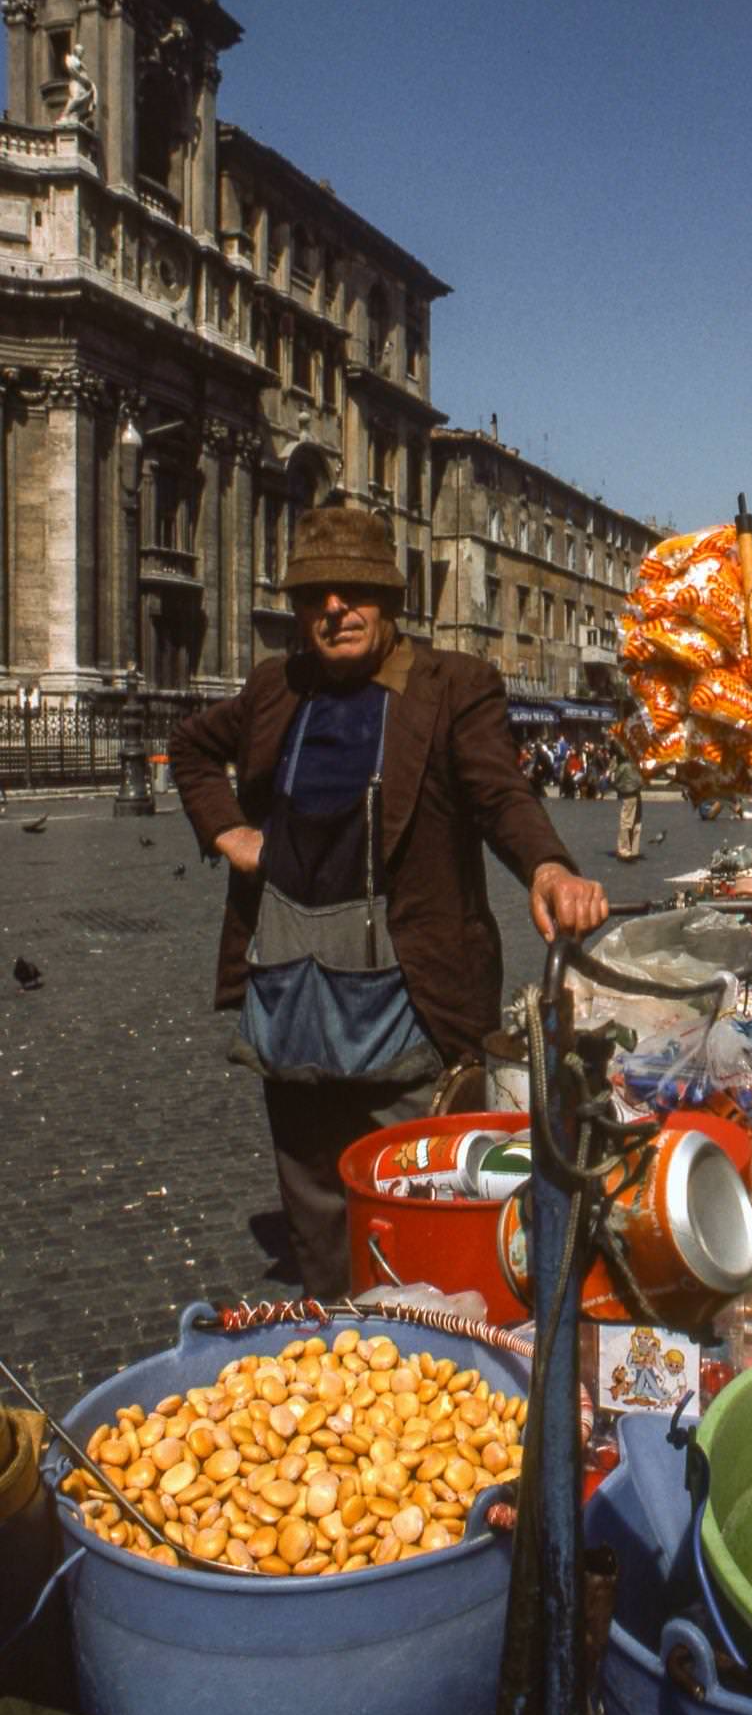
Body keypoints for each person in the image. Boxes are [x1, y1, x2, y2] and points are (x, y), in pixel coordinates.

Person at [169, 507, 608, 1298]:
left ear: (388, 600)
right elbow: (193, 748)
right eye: (313, 596)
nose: (332, 609)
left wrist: (547, 866)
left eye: (352, 592)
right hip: (291, 977)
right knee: (308, 1179)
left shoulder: (451, 685)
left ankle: (427, 1339)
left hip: (408, 988)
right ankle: (333, 1327)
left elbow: (498, 792)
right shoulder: (275, 686)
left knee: (418, 1180)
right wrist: (228, 831)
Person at [611, 734, 645, 861]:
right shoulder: (623, 742)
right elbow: (623, 753)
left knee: (636, 819)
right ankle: (624, 849)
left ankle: (633, 848)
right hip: (630, 783)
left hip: (634, 782)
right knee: (627, 819)